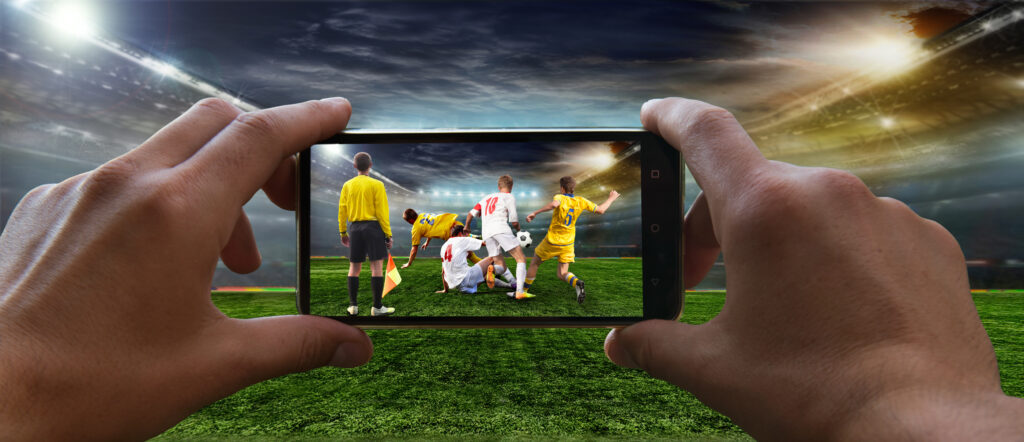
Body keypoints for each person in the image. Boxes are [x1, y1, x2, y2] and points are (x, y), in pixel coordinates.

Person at [0, 97, 1020, 440]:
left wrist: (23, 368)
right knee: (430, 272)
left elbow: (581, 204)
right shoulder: (408, 205)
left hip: (487, 249)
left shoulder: (500, 206)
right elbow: (449, 220)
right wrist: (911, 403)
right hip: (435, 248)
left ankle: (510, 282)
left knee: (498, 270)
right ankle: (488, 282)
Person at [523, 176, 619, 303]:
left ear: (562, 188)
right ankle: (577, 283)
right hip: (568, 243)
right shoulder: (581, 201)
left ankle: (522, 292)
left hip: (552, 240)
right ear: (573, 188)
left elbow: (554, 204)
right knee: (562, 273)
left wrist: (535, 212)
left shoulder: (560, 197)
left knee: (534, 263)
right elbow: (601, 210)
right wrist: (611, 198)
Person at [337, 152, 395, 317]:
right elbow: (382, 212)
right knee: (376, 268)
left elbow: (342, 210)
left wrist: (343, 231)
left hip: (354, 228)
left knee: (354, 267)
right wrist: (388, 234)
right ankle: (377, 308)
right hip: (373, 227)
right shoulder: (377, 185)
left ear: (355, 166)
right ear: (370, 165)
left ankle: (353, 307)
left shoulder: (347, 185)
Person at [465, 175, 531, 299]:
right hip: (500, 228)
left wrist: (467, 226)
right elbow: (514, 221)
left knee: (501, 265)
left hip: (487, 233)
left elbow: (470, 213)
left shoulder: (486, 198)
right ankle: (520, 292)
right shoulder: (509, 197)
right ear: (511, 186)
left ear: (498, 186)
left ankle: (492, 269)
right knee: (521, 258)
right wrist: (519, 230)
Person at [435, 225, 515, 294]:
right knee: (492, 258)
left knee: (485, 276)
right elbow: (485, 243)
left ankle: (510, 286)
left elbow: (443, 271)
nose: (466, 236)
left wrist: (445, 290)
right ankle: (511, 281)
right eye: (465, 234)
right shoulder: (462, 239)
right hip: (467, 279)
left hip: (461, 288)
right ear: (460, 233)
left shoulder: (444, 246)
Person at [399, 209, 480, 269]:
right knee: (469, 252)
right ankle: (476, 238)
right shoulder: (423, 215)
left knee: (467, 256)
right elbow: (430, 228)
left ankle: (488, 270)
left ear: (410, 220)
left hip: (453, 234)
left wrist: (409, 263)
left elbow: (414, 250)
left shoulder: (416, 229)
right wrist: (427, 242)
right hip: (456, 224)